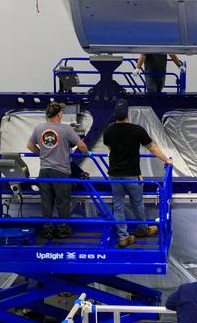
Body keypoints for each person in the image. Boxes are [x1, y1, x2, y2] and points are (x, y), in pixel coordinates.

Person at [102, 98, 173, 248]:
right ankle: (142, 229)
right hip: (132, 175)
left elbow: (110, 148)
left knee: (118, 205)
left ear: (115, 115)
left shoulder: (108, 130)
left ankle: (123, 237)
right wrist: (167, 160)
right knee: (137, 203)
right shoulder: (137, 130)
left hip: (114, 175)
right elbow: (153, 148)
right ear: (127, 113)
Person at [27, 102, 89, 239]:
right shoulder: (66, 130)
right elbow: (82, 145)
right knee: (63, 201)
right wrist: (87, 153)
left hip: (44, 171)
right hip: (61, 172)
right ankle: (63, 229)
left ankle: (47, 229)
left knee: (46, 202)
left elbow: (29, 145)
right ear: (59, 114)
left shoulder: (39, 128)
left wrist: (41, 153)